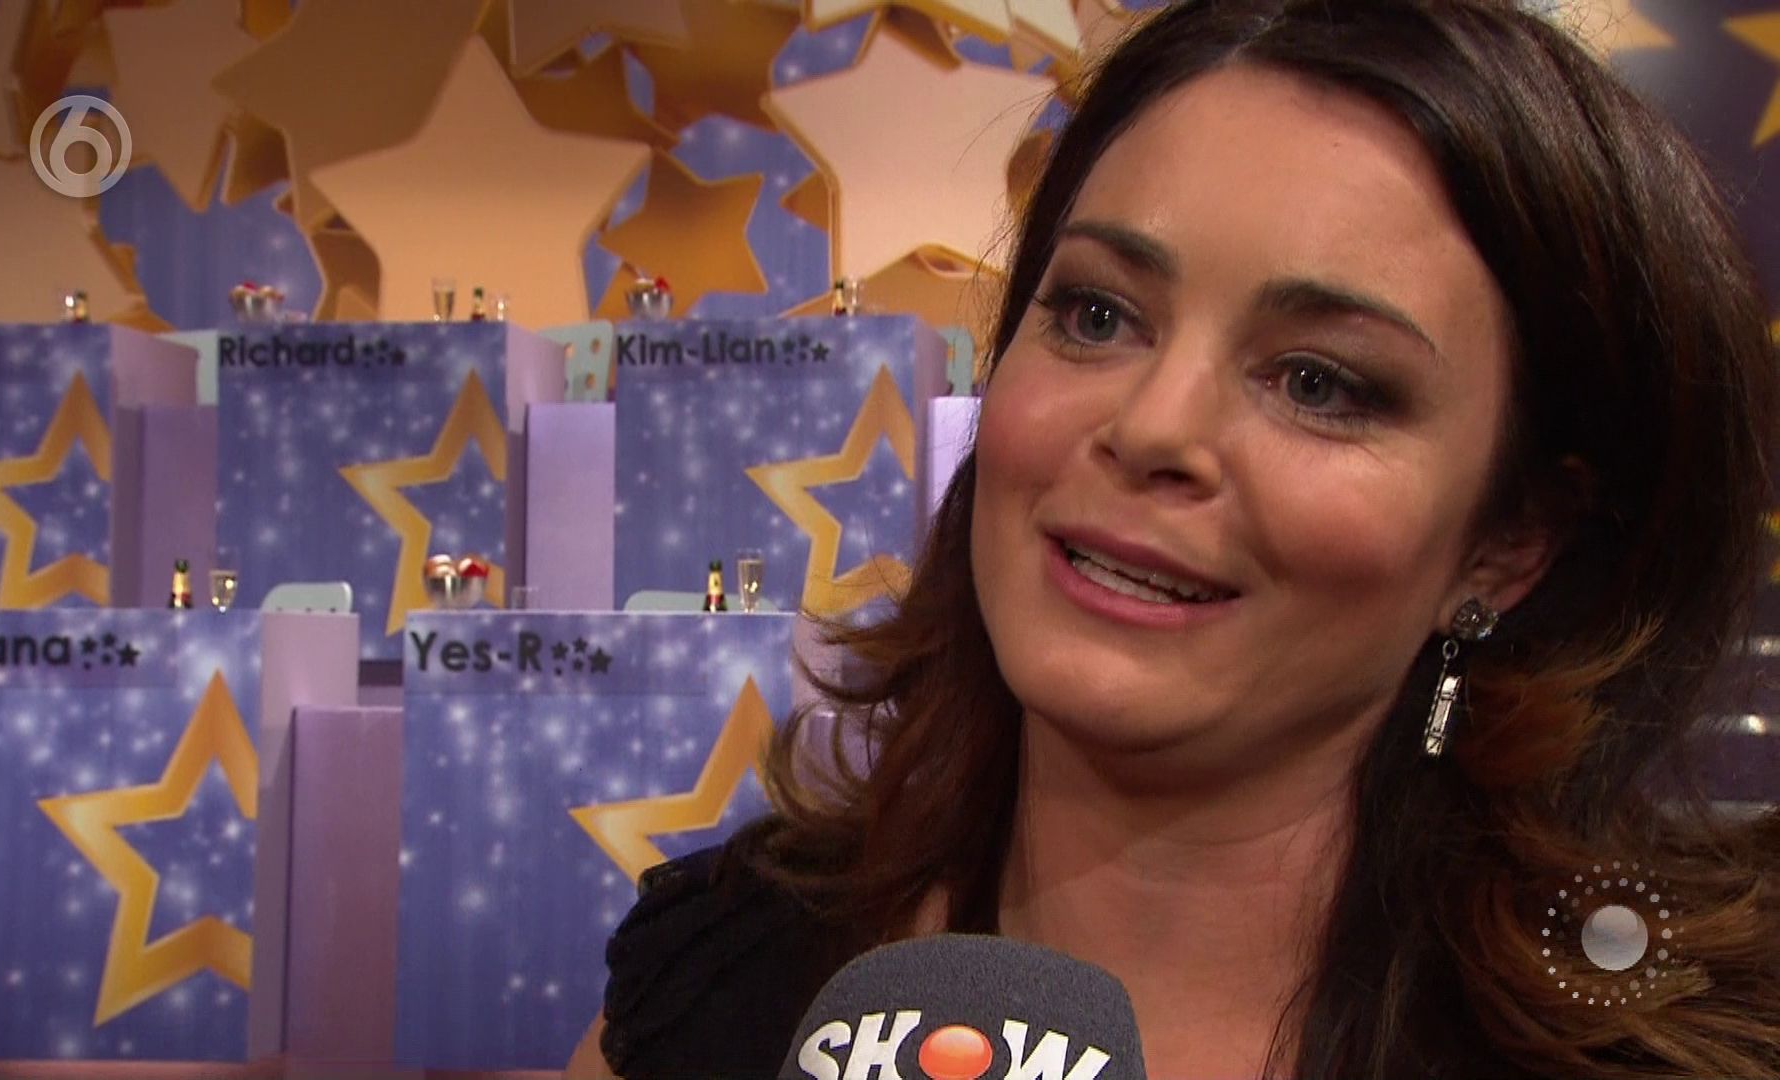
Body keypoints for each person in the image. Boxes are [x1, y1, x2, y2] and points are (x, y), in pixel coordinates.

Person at [566, 0, 1780, 1076]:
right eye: (1099, 314)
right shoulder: (726, 978)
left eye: (1319, 383)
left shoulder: (1671, 1043)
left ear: (1509, 543)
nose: (1152, 426)